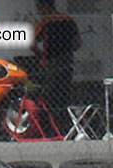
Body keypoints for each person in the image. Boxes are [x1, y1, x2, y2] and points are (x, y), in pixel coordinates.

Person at [32, 0, 81, 128]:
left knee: (49, 96)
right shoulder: (69, 20)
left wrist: (41, 54)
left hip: (51, 63)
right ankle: (66, 125)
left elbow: (32, 43)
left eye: (39, 7)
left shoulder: (44, 22)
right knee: (64, 95)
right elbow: (77, 44)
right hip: (67, 62)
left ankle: (52, 127)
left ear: (44, 6)